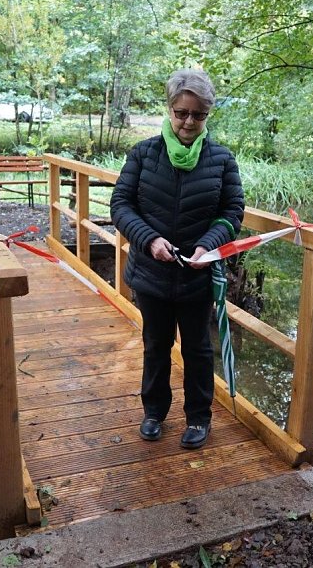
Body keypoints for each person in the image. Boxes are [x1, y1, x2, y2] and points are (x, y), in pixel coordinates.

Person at [110, 69, 244, 450]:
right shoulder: (143, 153)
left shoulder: (221, 159)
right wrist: (149, 239)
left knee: (198, 349)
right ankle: (154, 412)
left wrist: (208, 244)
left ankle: (199, 418)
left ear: (207, 115)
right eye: (181, 112)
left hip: (197, 277)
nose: (188, 122)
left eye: (197, 115)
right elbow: (121, 205)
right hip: (150, 273)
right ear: (170, 109)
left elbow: (232, 211)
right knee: (155, 345)